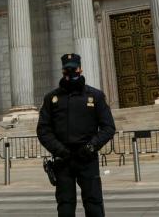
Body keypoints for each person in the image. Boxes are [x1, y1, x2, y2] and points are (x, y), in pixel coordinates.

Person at [37, 53, 116, 217]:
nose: (71, 73)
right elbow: (43, 130)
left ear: (80, 69)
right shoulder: (51, 98)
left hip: (87, 158)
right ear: (62, 71)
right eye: (67, 70)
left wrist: (90, 147)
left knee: (94, 205)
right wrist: (60, 150)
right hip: (63, 160)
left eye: (74, 69)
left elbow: (108, 127)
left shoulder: (95, 96)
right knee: (65, 207)